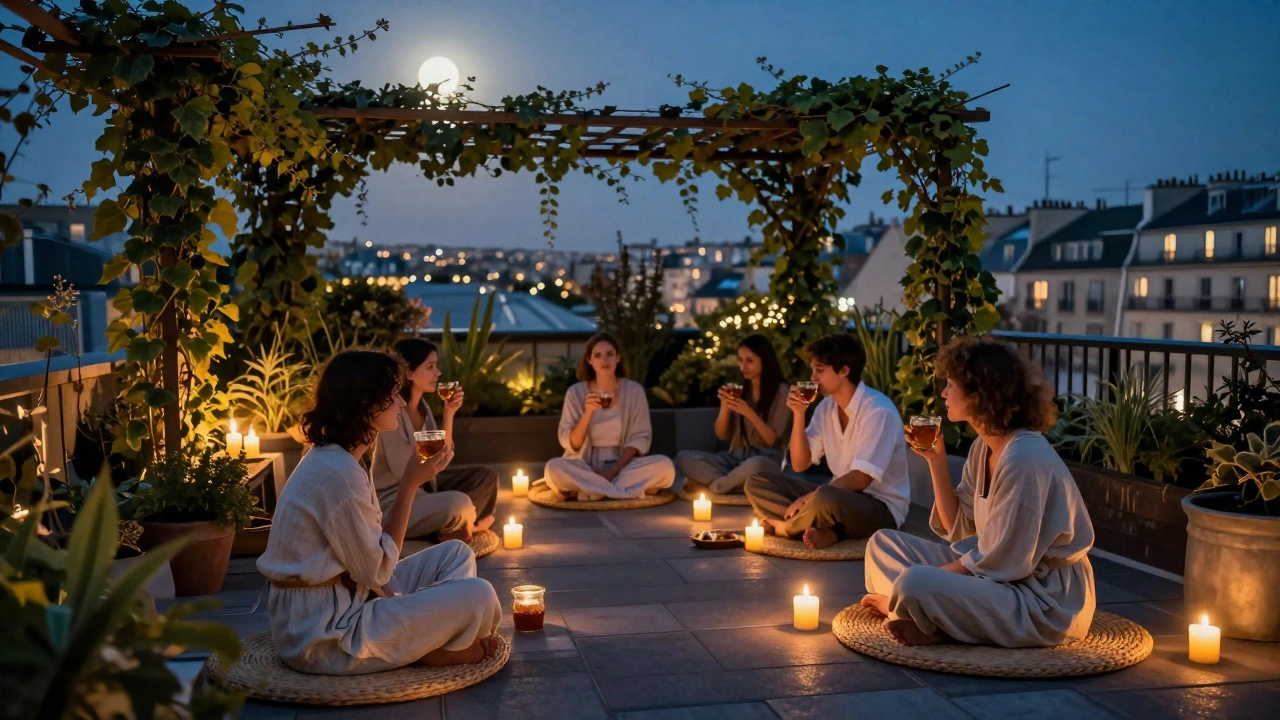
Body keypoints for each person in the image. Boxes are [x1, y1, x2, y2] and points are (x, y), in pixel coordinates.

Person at [257, 350, 501, 674]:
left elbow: (370, 559)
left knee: (455, 554)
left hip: (350, 599)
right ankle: (428, 644)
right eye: (392, 395)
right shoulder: (337, 473)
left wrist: (397, 599)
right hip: (326, 633)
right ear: (365, 404)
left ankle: (426, 639)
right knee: (478, 594)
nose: (401, 403)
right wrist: (409, 486)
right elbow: (378, 572)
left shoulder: (343, 457)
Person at [861, 336, 1096, 648]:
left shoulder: (1024, 458)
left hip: (1041, 598)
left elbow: (1001, 564)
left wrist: (921, 580)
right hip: (996, 576)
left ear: (979, 394)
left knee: (914, 581)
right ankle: (922, 610)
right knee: (882, 544)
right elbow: (958, 529)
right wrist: (936, 461)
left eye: (951, 385)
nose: (944, 393)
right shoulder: (982, 446)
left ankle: (915, 608)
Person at [744, 333, 909, 549]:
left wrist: (808, 499)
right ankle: (827, 530)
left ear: (844, 371)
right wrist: (798, 413)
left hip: (879, 507)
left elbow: (861, 479)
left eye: (819, 370)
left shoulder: (878, 411)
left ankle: (786, 528)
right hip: (836, 497)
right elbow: (800, 464)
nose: (813, 377)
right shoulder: (825, 408)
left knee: (824, 497)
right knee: (757, 483)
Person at [371, 339, 498, 543]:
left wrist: (449, 414)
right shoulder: (391, 414)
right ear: (409, 373)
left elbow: (443, 457)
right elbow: (406, 471)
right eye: (430, 366)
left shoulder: (423, 408)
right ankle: (463, 527)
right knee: (459, 502)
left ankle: (455, 527)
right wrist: (436, 456)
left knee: (485, 477)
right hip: (397, 500)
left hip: (427, 486)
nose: (438, 373)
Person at [543, 332, 675, 500]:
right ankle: (623, 491)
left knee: (665, 466)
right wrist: (588, 412)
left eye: (610, 354)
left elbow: (639, 439)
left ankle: (591, 489)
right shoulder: (575, 393)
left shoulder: (634, 391)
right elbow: (572, 444)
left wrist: (612, 472)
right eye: (598, 355)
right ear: (589, 361)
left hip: (622, 463)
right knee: (553, 468)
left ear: (618, 358)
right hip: (585, 463)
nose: (604, 360)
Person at [676, 334, 791, 495]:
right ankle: (734, 483)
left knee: (756, 465)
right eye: (740, 360)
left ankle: (718, 486)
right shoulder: (740, 389)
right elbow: (721, 434)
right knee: (684, 457)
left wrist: (748, 412)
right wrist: (724, 406)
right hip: (733, 460)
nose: (743, 366)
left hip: (765, 459)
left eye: (750, 361)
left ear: (765, 360)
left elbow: (771, 439)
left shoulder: (782, 391)